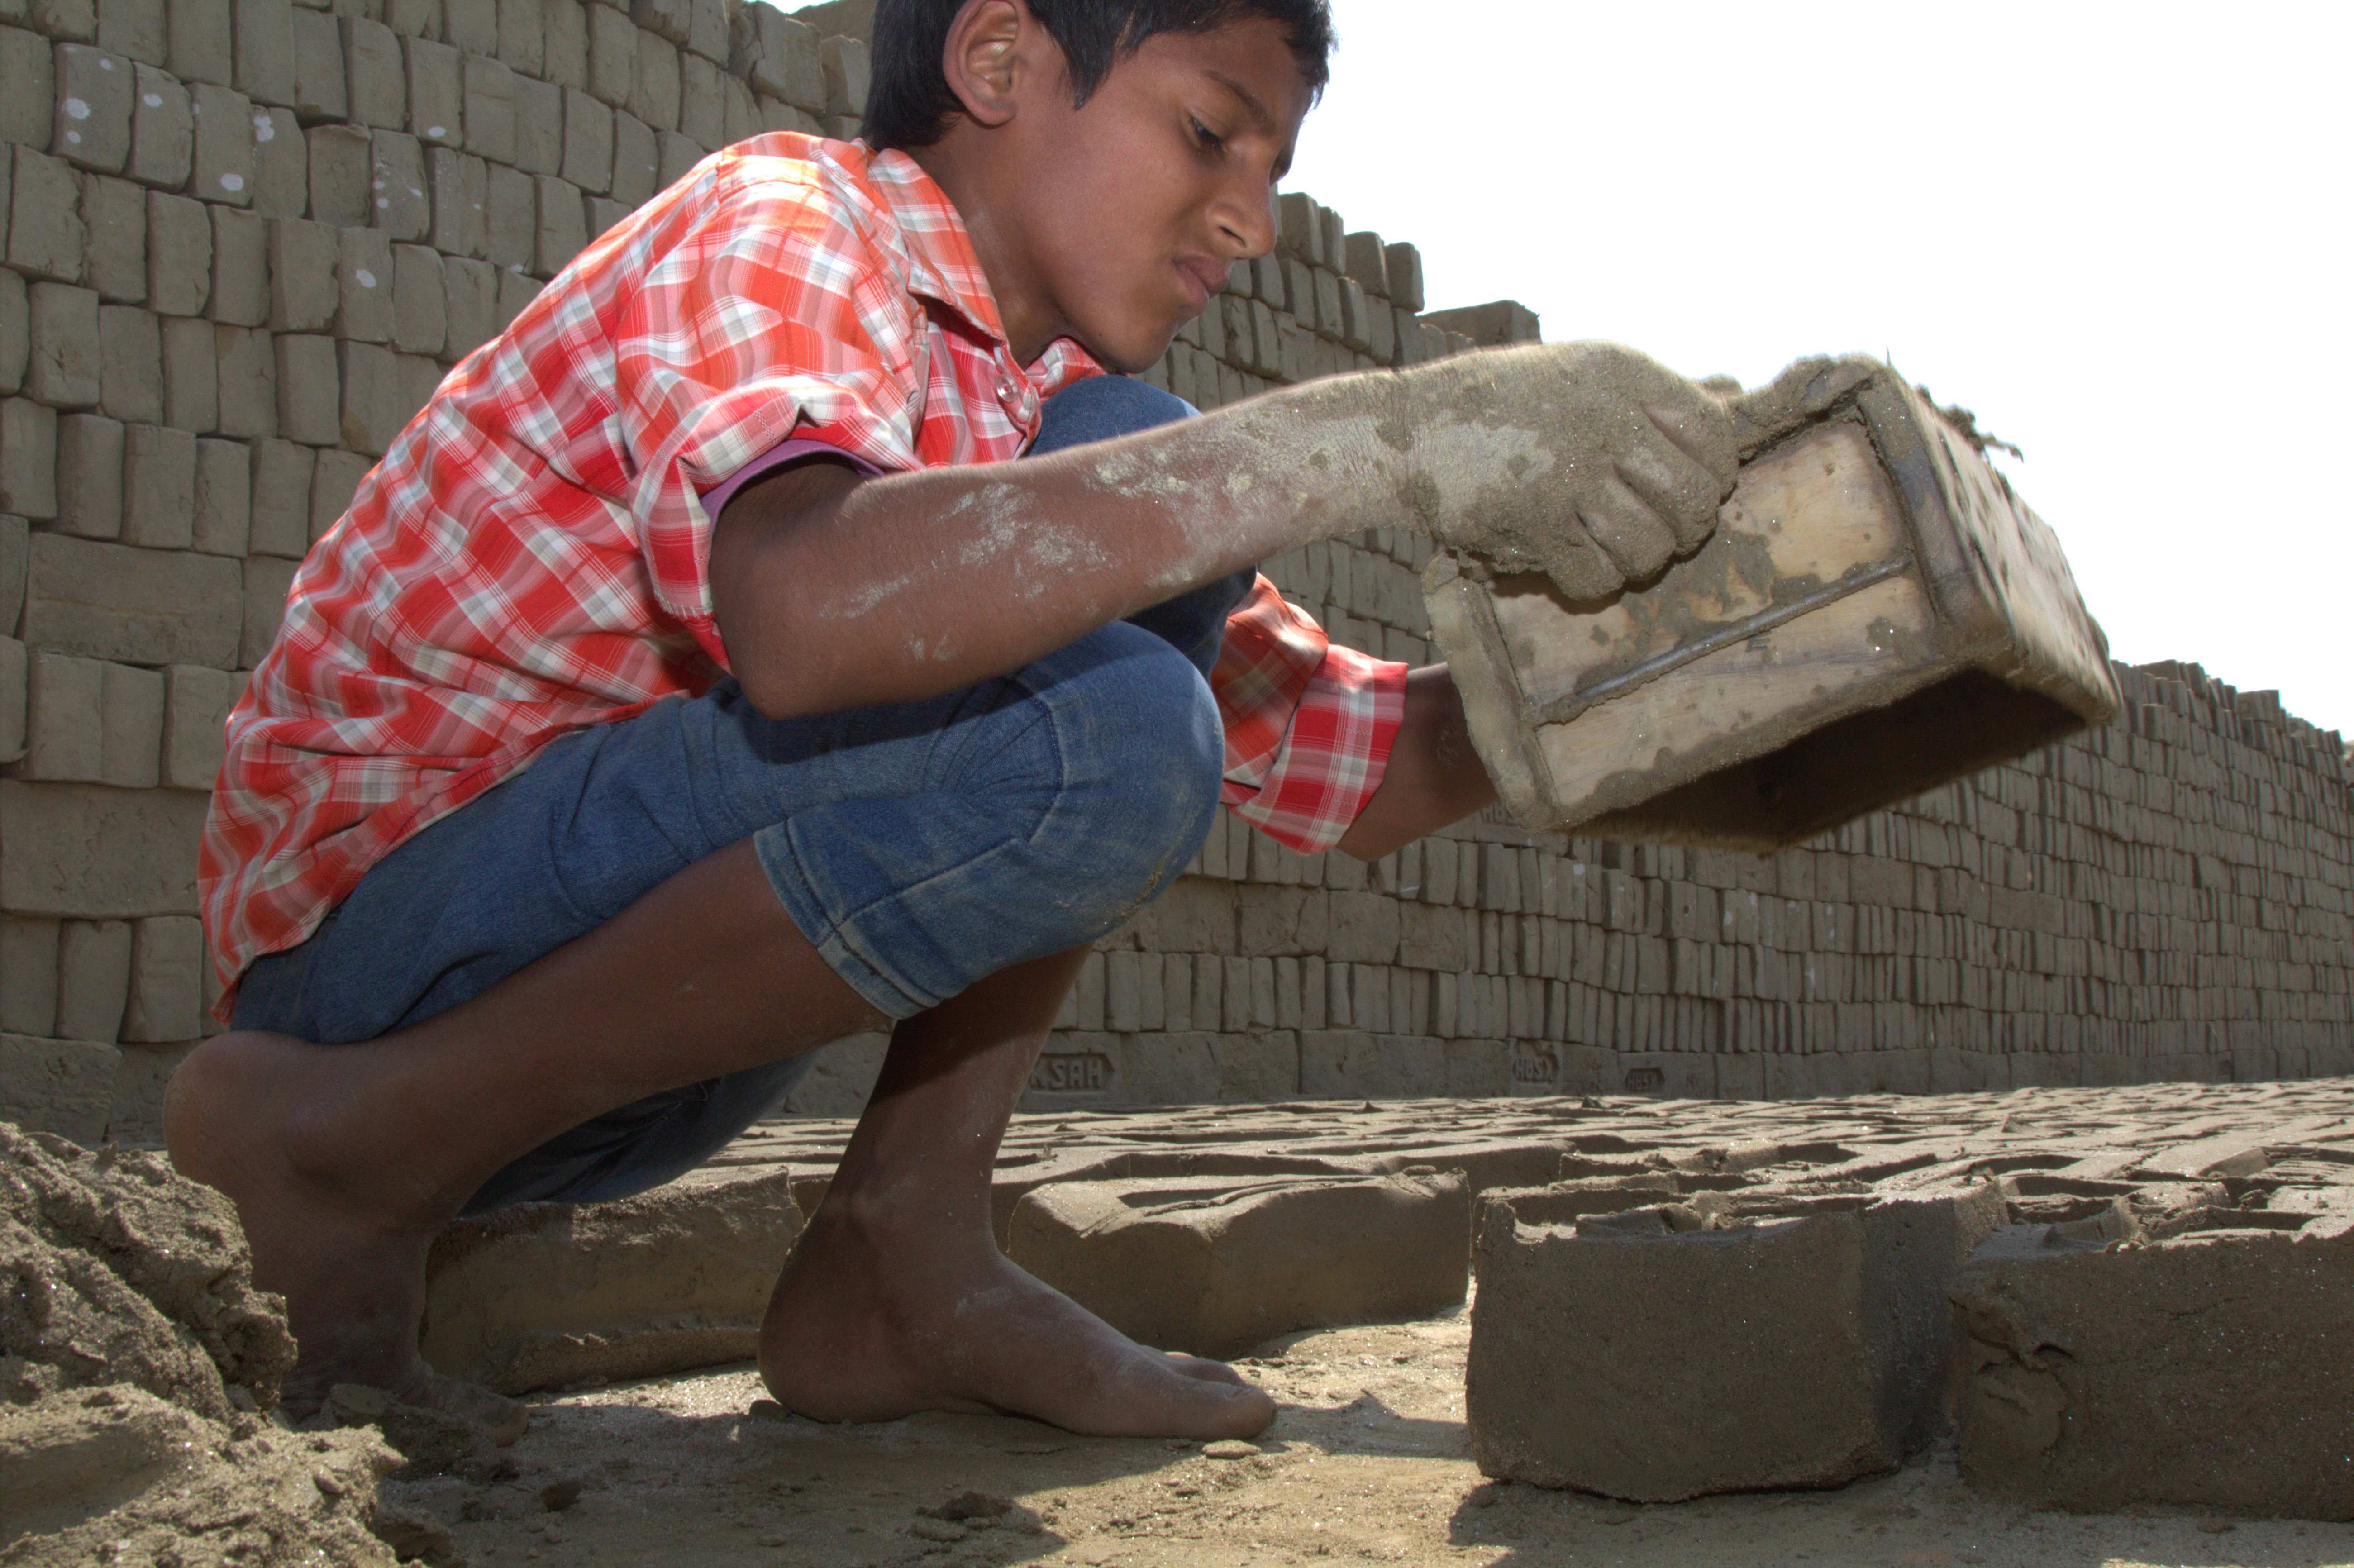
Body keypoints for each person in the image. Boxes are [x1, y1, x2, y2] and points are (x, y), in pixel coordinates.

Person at [168, 0, 1781, 1442]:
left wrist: (1693, 673)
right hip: (376, 960)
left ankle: (899, 1252)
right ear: (998, 60)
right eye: (1210, 132)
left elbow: (1348, 766)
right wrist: (1379, 439)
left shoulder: (1036, 416)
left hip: (597, 1063)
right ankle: (346, 1154)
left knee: (1128, 495)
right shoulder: (787, 219)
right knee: (1120, 655)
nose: (1251, 218)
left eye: (1275, 172)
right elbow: (804, 612)